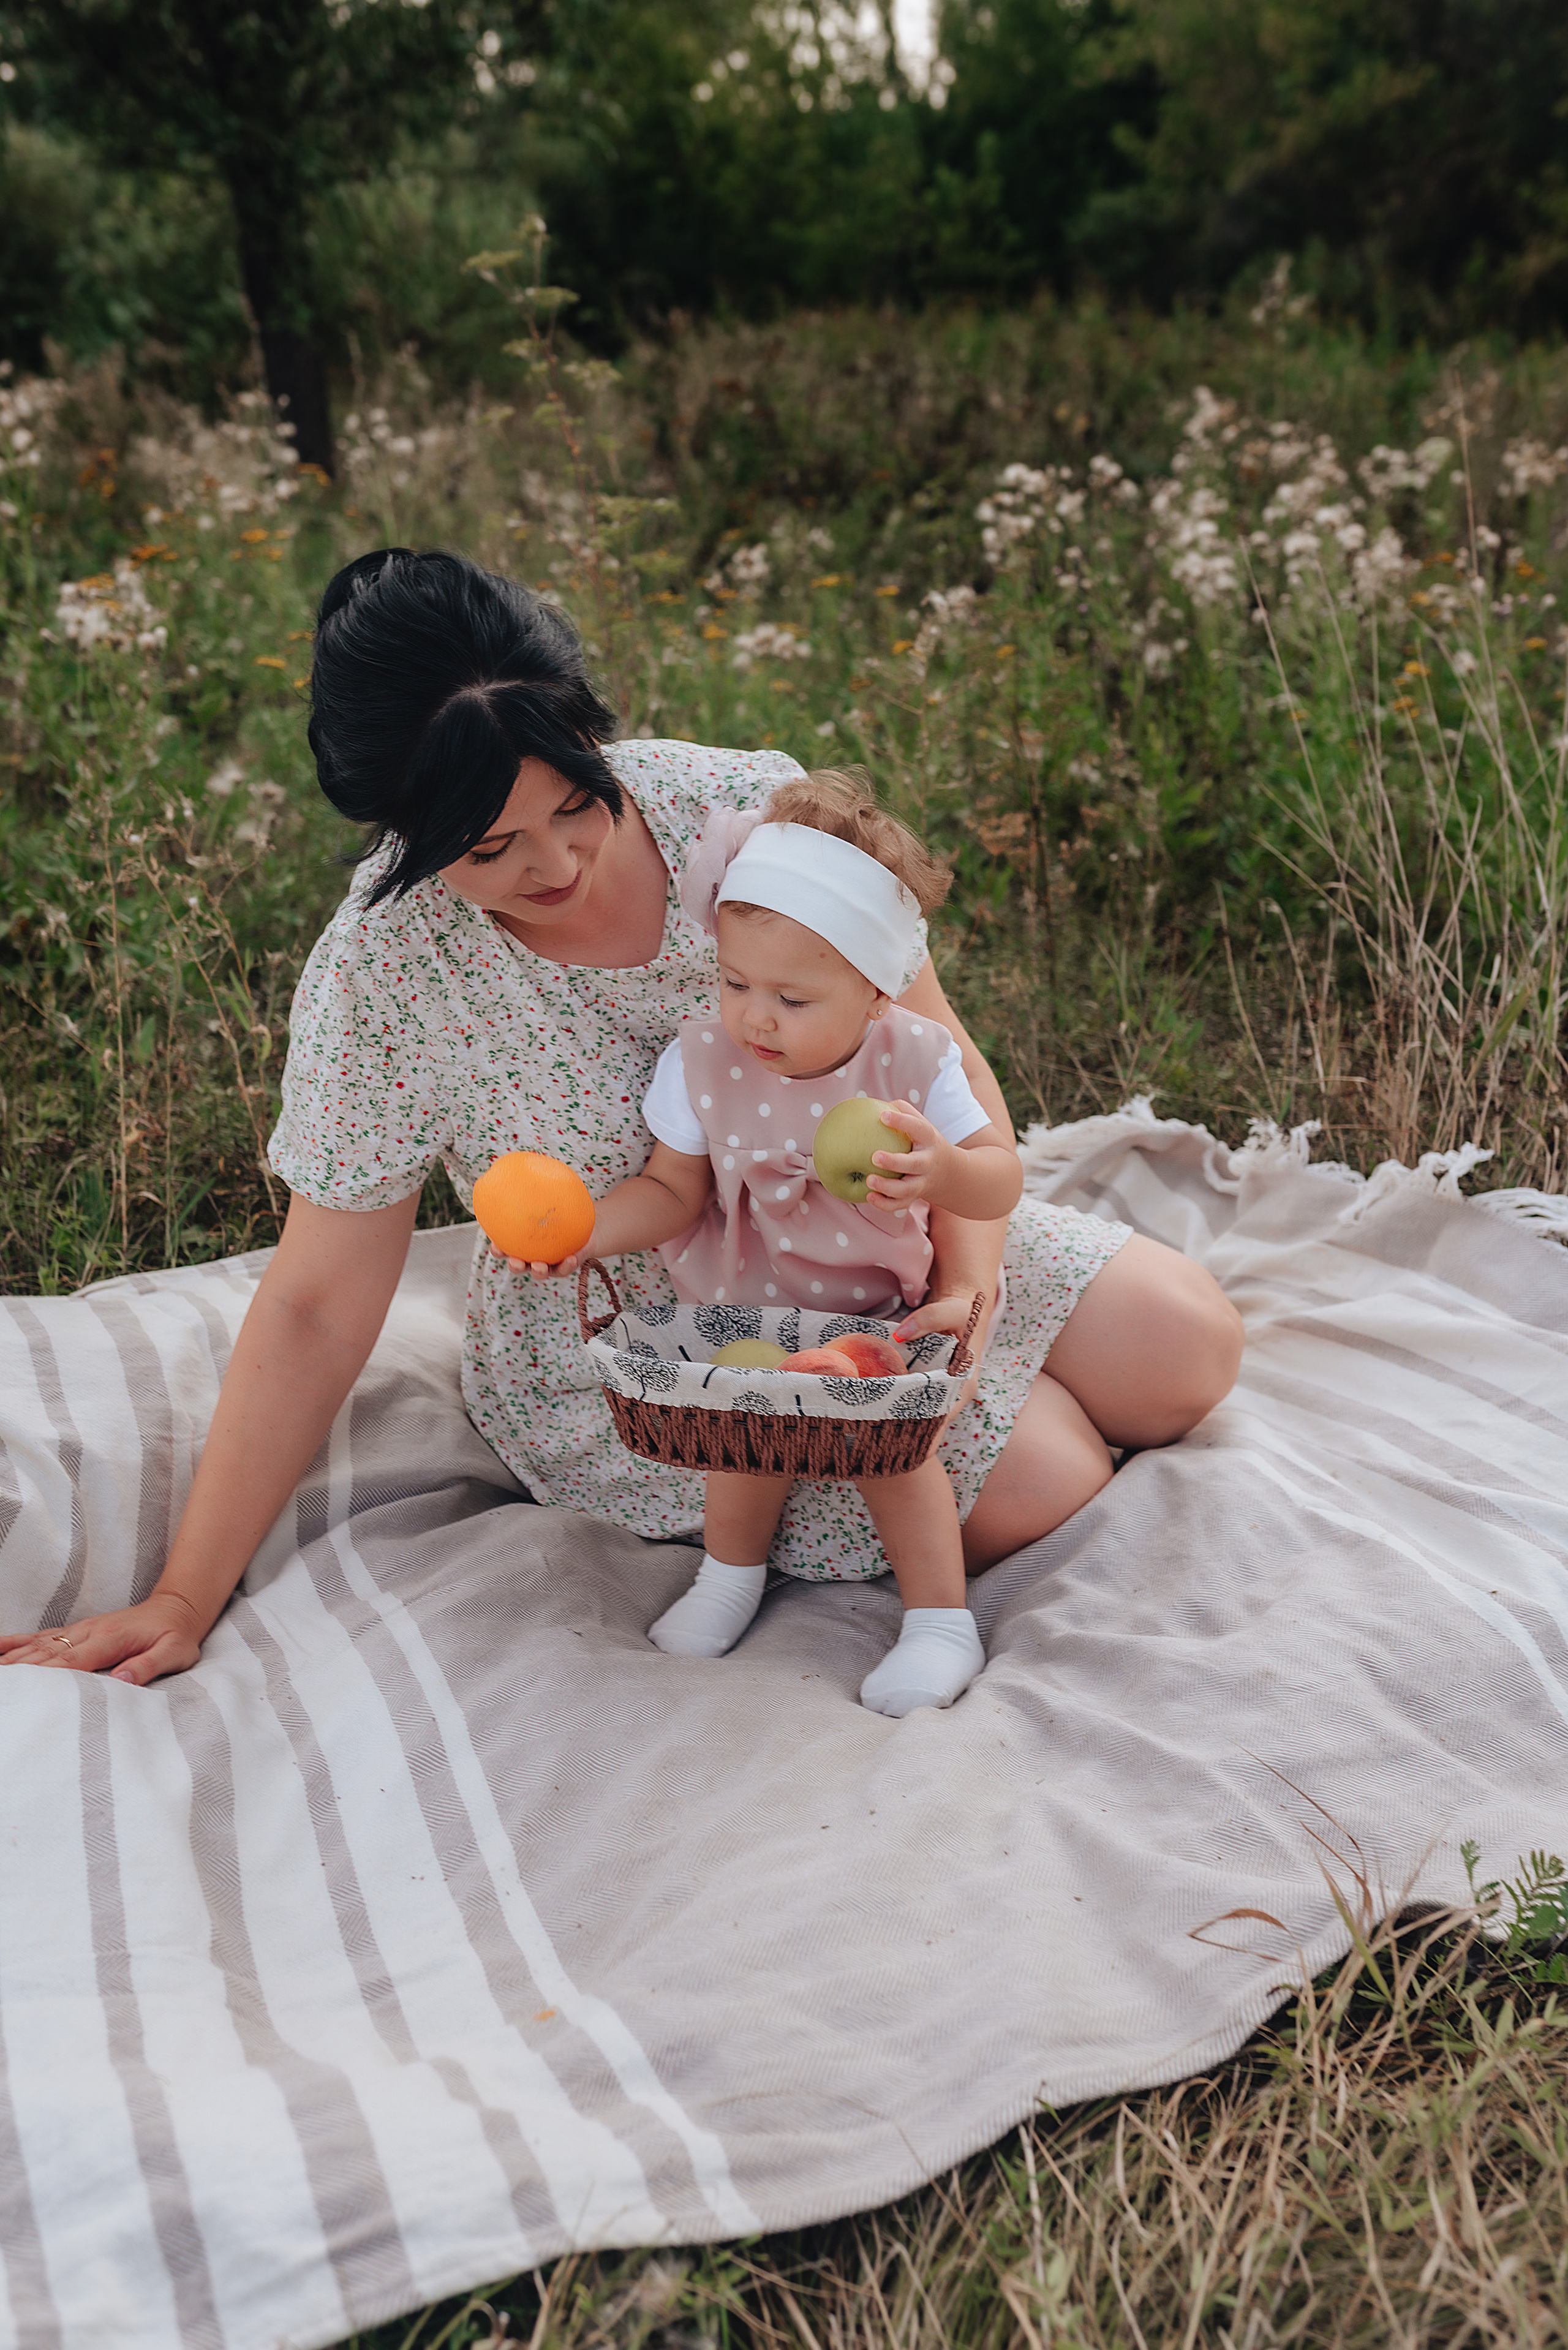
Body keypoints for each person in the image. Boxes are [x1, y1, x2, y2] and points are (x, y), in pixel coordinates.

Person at [0, 549, 1244, 1687]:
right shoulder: (382, 977)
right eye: (488, 849)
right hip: (661, 1326)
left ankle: (981, 1369)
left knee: (1186, 1344)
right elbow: (319, 1302)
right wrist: (182, 1591)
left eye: (574, 805)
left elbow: (938, 1061)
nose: (553, 866)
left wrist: (963, 1295)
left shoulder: (746, 814)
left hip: (885, 1246)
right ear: (405, 834)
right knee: (1052, 1470)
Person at [524, 772, 1025, 1715]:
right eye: (734, 981)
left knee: (897, 1461)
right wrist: (587, 1229)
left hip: (877, 1313)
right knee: (743, 1444)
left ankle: (939, 1622)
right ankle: (730, 1576)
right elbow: (670, 1193)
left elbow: (1001, 1172)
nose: (755, 1016)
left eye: (792, 998)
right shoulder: (702, 1059)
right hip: (748, 1306)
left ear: (876, 993)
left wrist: (949, 1176)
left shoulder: (914, 1060)